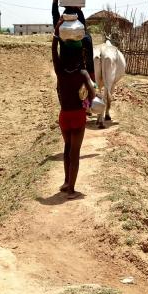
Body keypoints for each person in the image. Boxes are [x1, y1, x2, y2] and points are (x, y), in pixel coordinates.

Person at [52, 17, 96, 199]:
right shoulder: (83, 73)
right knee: (75, 153)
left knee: (67, 147)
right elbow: (93, 94)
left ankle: (65, 182)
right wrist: (85, 103)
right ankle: (71, 190)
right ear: (79, 54)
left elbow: (54, 50)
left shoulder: (60, 71)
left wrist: (57, 29)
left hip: (64, 115)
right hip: (78, 115)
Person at [51, 0, 95, 82]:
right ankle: (93, 77)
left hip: (64, 69)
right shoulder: (84, 38)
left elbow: (54, 9)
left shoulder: (60, 26)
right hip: (79, 70)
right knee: (88, 39)